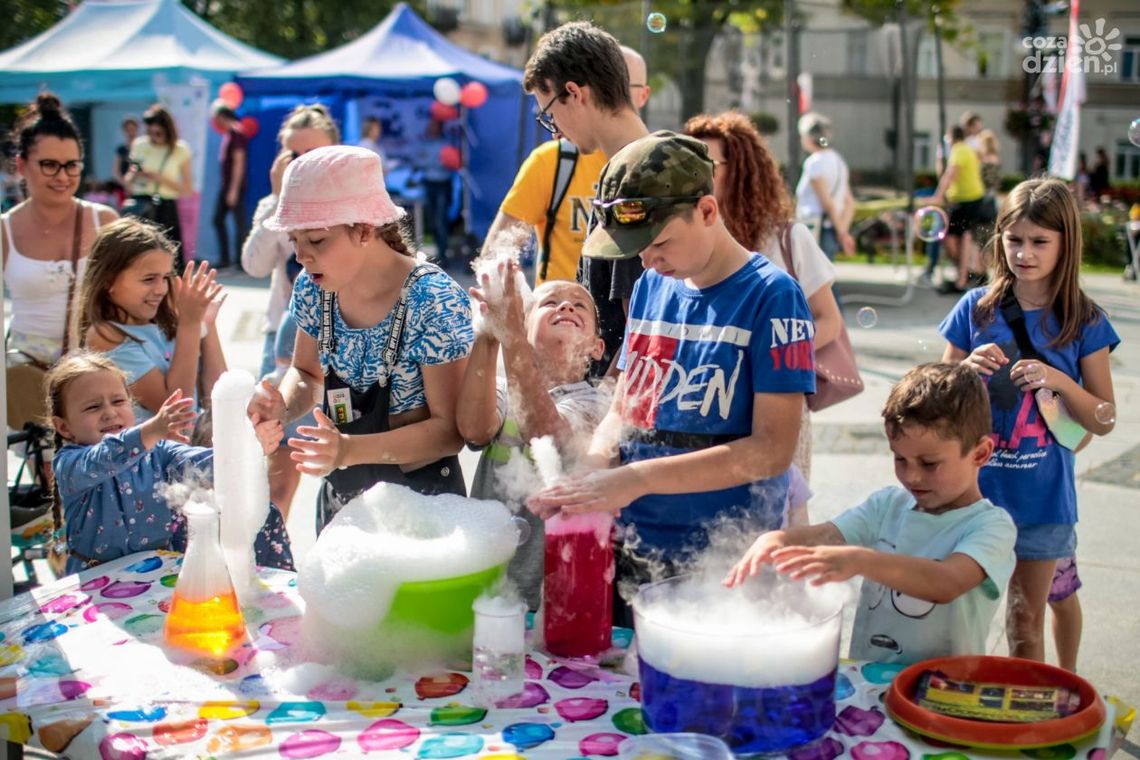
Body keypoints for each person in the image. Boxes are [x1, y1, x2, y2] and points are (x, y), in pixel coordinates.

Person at [528, 132, 816, 626]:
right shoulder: (651, 286)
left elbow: (772, 449)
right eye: (635, 249)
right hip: (632, 552)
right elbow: (625, 408)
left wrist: (634, 480)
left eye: (658, 243)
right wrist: (590, 474)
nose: (646, 260)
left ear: (706, 210)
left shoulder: (773, 296)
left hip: (723, 565)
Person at [725, 362, 1017, 665]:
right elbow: (825, 536)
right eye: (900, 459)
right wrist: (777, 540)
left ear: (980, 453)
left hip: (943, 686)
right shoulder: (886, 506)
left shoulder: (990, 527)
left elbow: (947, 582)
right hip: (869, 680)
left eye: (929, 463)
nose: (912, 476)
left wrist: (861, 560)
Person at [245, 146, 473, 531]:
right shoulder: (314, 288)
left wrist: (349, 449)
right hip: (343, 508)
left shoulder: (433, 300)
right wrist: (281, 405)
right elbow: (307, 373)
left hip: (423, 513)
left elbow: (449, 432)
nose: (301, 256)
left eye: (316, 240)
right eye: (295, 240)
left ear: (365, 230)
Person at [940, 178, 1119, 663]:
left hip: (1042, 503)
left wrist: (1059, 381)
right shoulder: (974, 309)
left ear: (1066, 244)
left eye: (1040, 241)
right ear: (999, 238)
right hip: (972, 498)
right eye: (1014, 239)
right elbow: (936, 396)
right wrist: (963, 369)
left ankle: (1048, 697)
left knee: (1025, 622)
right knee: (957, 618)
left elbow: (1103, 418)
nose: (1024, 253)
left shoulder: (1085, 321)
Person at [685, 111, 842, 483]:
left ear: (741, 170)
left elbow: (829, 320)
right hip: (706, 403)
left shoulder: (787, 238)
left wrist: (774, 360)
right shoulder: (685, 241)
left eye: (707, 166)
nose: (694, 176)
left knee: (779, 506)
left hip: (775, 405)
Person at [47, 352, 293, 575]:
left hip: (157, 577)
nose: (110, 412)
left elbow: (206, 467)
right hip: (96, 581)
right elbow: (103, 458)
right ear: (64, 427)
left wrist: (247, 445)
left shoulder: (158, 452)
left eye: (118, 401)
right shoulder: (69, 464)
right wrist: (151, 430)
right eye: (93, 406)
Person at [457, 269, 608, 610]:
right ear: (525, 332)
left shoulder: (597, 403)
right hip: (487, 589)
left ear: (597, 347)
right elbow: (474, 429)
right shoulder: (500, 389)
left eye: (579, 305)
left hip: (554, 599)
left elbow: (544, 433)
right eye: (550, 303)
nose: (566, 307)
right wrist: (489, 335)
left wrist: (510, 335)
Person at [520, 23, 651, 377]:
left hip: (619, 400)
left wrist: (598, 406)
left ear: (575, 93)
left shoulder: (632, 179)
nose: (556, 131)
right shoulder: (632, 169)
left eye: (550, 115)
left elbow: (642, 330)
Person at [241, 104, 340, 518]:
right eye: (293, 155)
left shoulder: (349, 208)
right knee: (281, 454)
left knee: (342, 452)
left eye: (312, 155)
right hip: (284, 338)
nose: (301, 165)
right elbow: (253, 265)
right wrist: (279, 201)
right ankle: (271, 539)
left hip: (343, 336)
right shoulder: (274, 204)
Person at [487, 45, 651, 288]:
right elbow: (496, 252)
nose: (555, 131)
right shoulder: (551, 160)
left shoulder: (661, 168)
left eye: (622, 84)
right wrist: (522, 303)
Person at [2, 93, 118, 368]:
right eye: (50, 165)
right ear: (21, 165)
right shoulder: (4, 230)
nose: (63, 176)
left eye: (71, 165)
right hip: (24, 371)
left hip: (93, 367)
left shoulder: (104, 220)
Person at [77, 218, 227, 424]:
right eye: (149, 279)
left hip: (189, 441)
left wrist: (206, 324)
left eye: (165, 278)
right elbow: (177, 410)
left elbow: (220, 394)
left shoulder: (166, 321)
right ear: (108, 281)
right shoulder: (106, 335)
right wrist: (190, 325)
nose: (161, 289)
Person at [124, 105, 192, 264]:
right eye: (150, 133)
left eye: (158, 133)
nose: (154, 137)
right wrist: (135, 174)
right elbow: (128, 180)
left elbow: (187, 189)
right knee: (137, 257)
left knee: (169, 258)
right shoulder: (140, 145)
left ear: (168, 130)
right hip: (141, 204)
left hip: (165, 207)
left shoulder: (179, 149)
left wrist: (159, 178)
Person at [932, 125, 988, 295]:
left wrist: (937, 196)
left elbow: (950, 174)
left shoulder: (959, 150)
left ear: (951, 137)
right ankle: (964, 273)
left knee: (958, 236)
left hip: (968, 199)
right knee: (959, 236)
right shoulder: (967, 149)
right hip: (967, 198)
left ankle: (962, 277)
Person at [795, 112, 856, 262]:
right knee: (827, 271)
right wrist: (842, 230)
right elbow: (849, 202)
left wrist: (841, 232)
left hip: (815, 228)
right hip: (831, 229)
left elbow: (826, 202)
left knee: (811, 273)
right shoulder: (839, 161)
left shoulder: (814, 163)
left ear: (809, 137)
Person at [210, 102, 249, 270]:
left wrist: (233, 189)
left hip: (234, 187)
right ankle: (225, 259)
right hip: (226, 186)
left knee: (239, 223)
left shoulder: (236, 133)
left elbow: (239, 162)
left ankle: (241, 261)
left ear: (222, 116)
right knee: (218, 220)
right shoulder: (229, 134)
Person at [418, 119, 458, 266]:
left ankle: (443, 253)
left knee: (441, 220)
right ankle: (436, 252)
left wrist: (431, 161)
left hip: (442, 184)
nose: (430, 129)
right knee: (432, 219)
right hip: (429, 184)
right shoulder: (425, 144)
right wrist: (433, 161)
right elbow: (419, 161)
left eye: (434, 126)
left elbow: (449, 163)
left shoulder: (446, 144)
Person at [112, 116, 139, 194]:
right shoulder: (121, 150)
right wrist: (126, 184)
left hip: (139, 189)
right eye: (128, 130)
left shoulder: (143, 149)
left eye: (133, 130)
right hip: (123, 190)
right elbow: (116, 173)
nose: (130, 133)